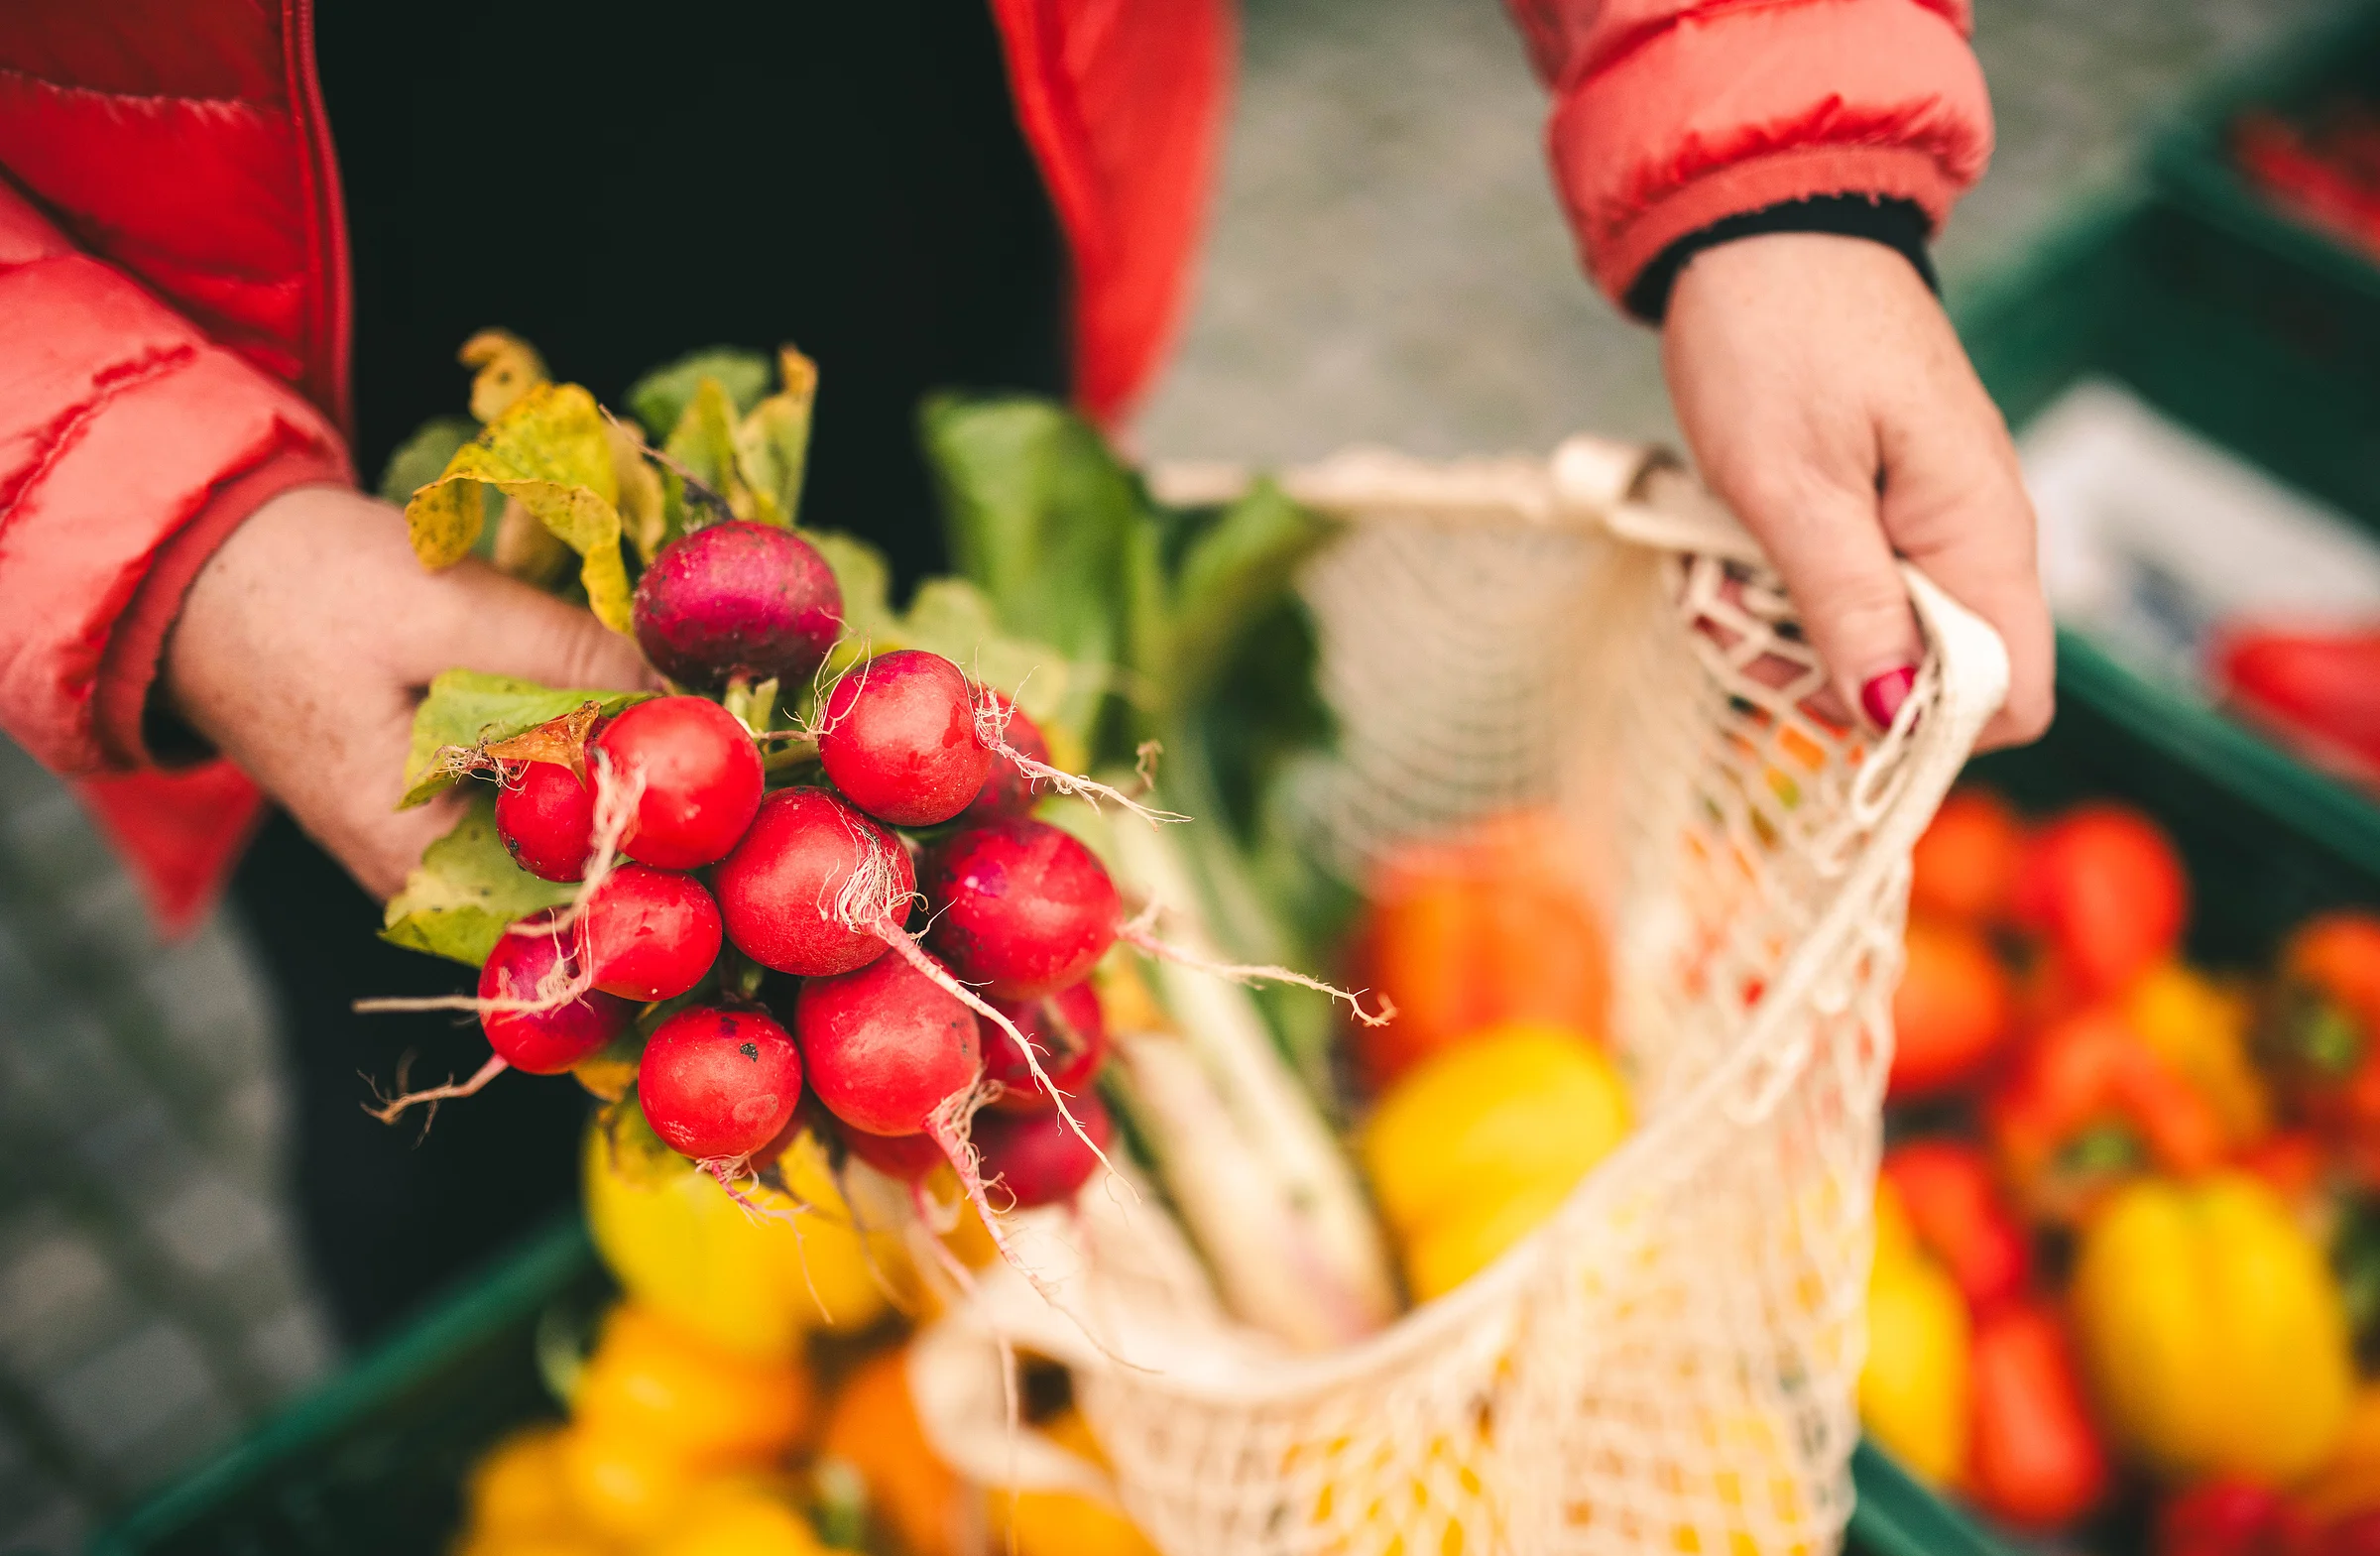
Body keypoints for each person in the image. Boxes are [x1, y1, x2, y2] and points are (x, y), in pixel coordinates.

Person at [0, 0, 2048, 1342]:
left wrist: (1781, 154)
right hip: (312, 512)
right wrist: (185, 551)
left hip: (948, 200)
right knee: (452, 1156)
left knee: (983, 881)